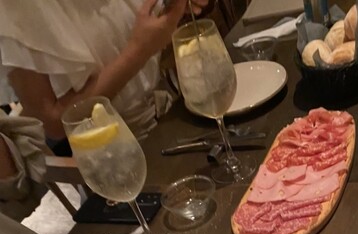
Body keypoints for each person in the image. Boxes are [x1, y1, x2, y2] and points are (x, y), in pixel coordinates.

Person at [0, 0, 208, 143]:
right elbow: (53, 123)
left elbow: (145, 27)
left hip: (171, 115)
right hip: (114, 157)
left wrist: (176, 10)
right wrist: (139, 51)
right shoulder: (14, 12)